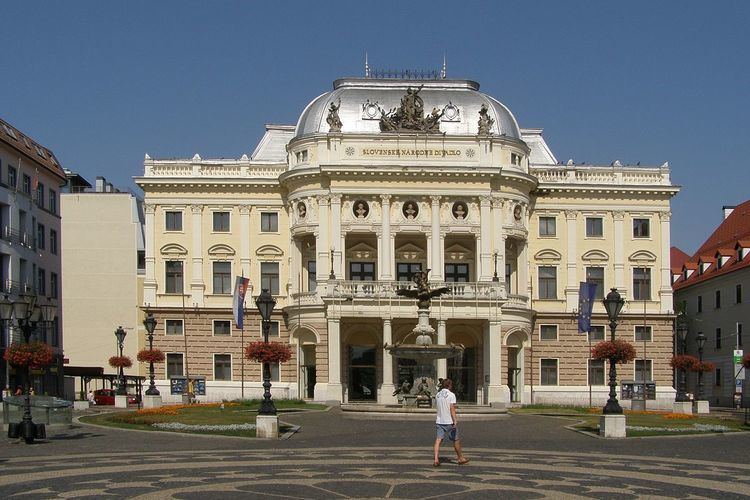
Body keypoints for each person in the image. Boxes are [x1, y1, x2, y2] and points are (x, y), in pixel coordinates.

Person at [433, 378, 469, 467]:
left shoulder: (437, 395)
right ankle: (460, 458)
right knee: (456, 440)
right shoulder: (451, 395)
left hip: (439, 420)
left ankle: (436, 459)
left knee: (438, 440)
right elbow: (452, 408)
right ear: (449, 385)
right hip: (449, 421)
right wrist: (455, 420)